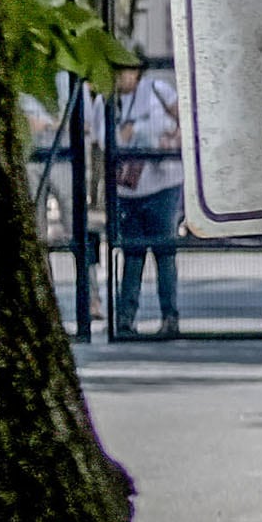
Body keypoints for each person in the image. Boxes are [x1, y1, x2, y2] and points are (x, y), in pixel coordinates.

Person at [108, 60, 183, 337]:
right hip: (128, 190)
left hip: (163, 183)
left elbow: (184, 120)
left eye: (126, 70)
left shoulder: (158, 90)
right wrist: (121, 136)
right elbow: (100, 140)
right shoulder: (108, 101)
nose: (121, 77)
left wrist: (172, 140)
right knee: (133, 254)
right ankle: (125, 319)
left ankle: (170, 317)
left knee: (164, 252)